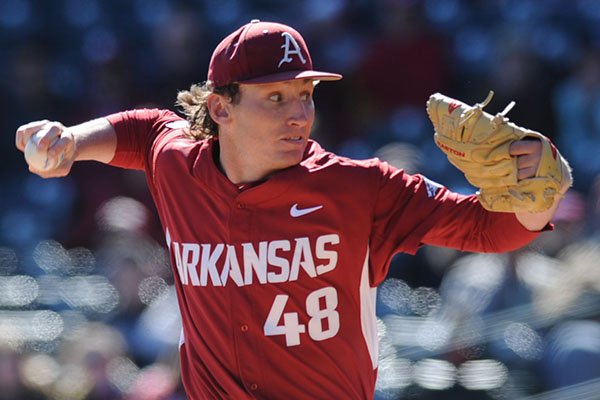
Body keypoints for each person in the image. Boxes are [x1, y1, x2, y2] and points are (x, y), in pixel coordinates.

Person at [16, 19, 567, 400]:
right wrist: (71, 138)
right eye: (275, 98)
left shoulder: (360, 189)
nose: (299, 113)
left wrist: (538, 190)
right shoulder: (177, 162)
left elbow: (490, 231)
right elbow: (144, 128)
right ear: (220, 108)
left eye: (305, 94)